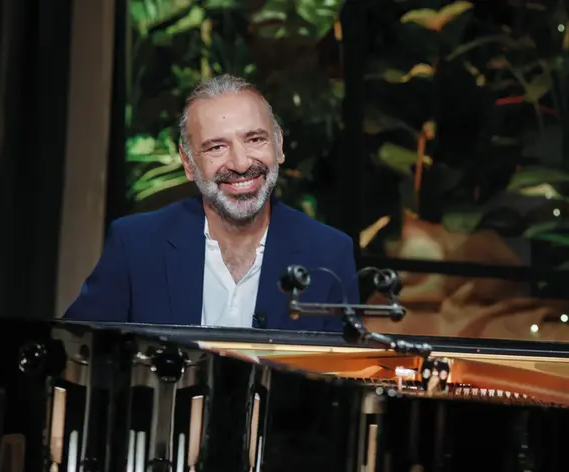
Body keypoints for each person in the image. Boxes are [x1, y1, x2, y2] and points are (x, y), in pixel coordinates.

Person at [64, 74, 359, 331]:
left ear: (279, 145)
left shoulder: (330, 254)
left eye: (255, 139)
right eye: (217, 147)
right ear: (188, 163)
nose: (241, 163)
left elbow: (338, 378)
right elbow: (75, 353)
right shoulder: (136, 245)